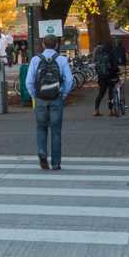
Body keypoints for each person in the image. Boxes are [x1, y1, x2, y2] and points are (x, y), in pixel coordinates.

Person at [25, 35, 75, 170]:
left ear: (43, 44)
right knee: (56, 131)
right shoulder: (62, 60)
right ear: (57, 45)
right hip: (56, 99)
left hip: (41, 99)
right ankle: (56, 162)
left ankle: (42, 151)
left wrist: (35, 95)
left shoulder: (35, 60)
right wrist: (63, 93)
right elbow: (69, 80)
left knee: (41, 128)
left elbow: (28, 82)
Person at [92, 41, 121, 117]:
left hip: (101, 77)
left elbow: (96, 67)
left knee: (101, 93)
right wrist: (117, 71)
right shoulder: (111, 54)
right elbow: (115, 66)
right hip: (111, 77)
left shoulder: (99, 55)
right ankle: (111, 111)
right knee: (111, 94)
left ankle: (96, 110)